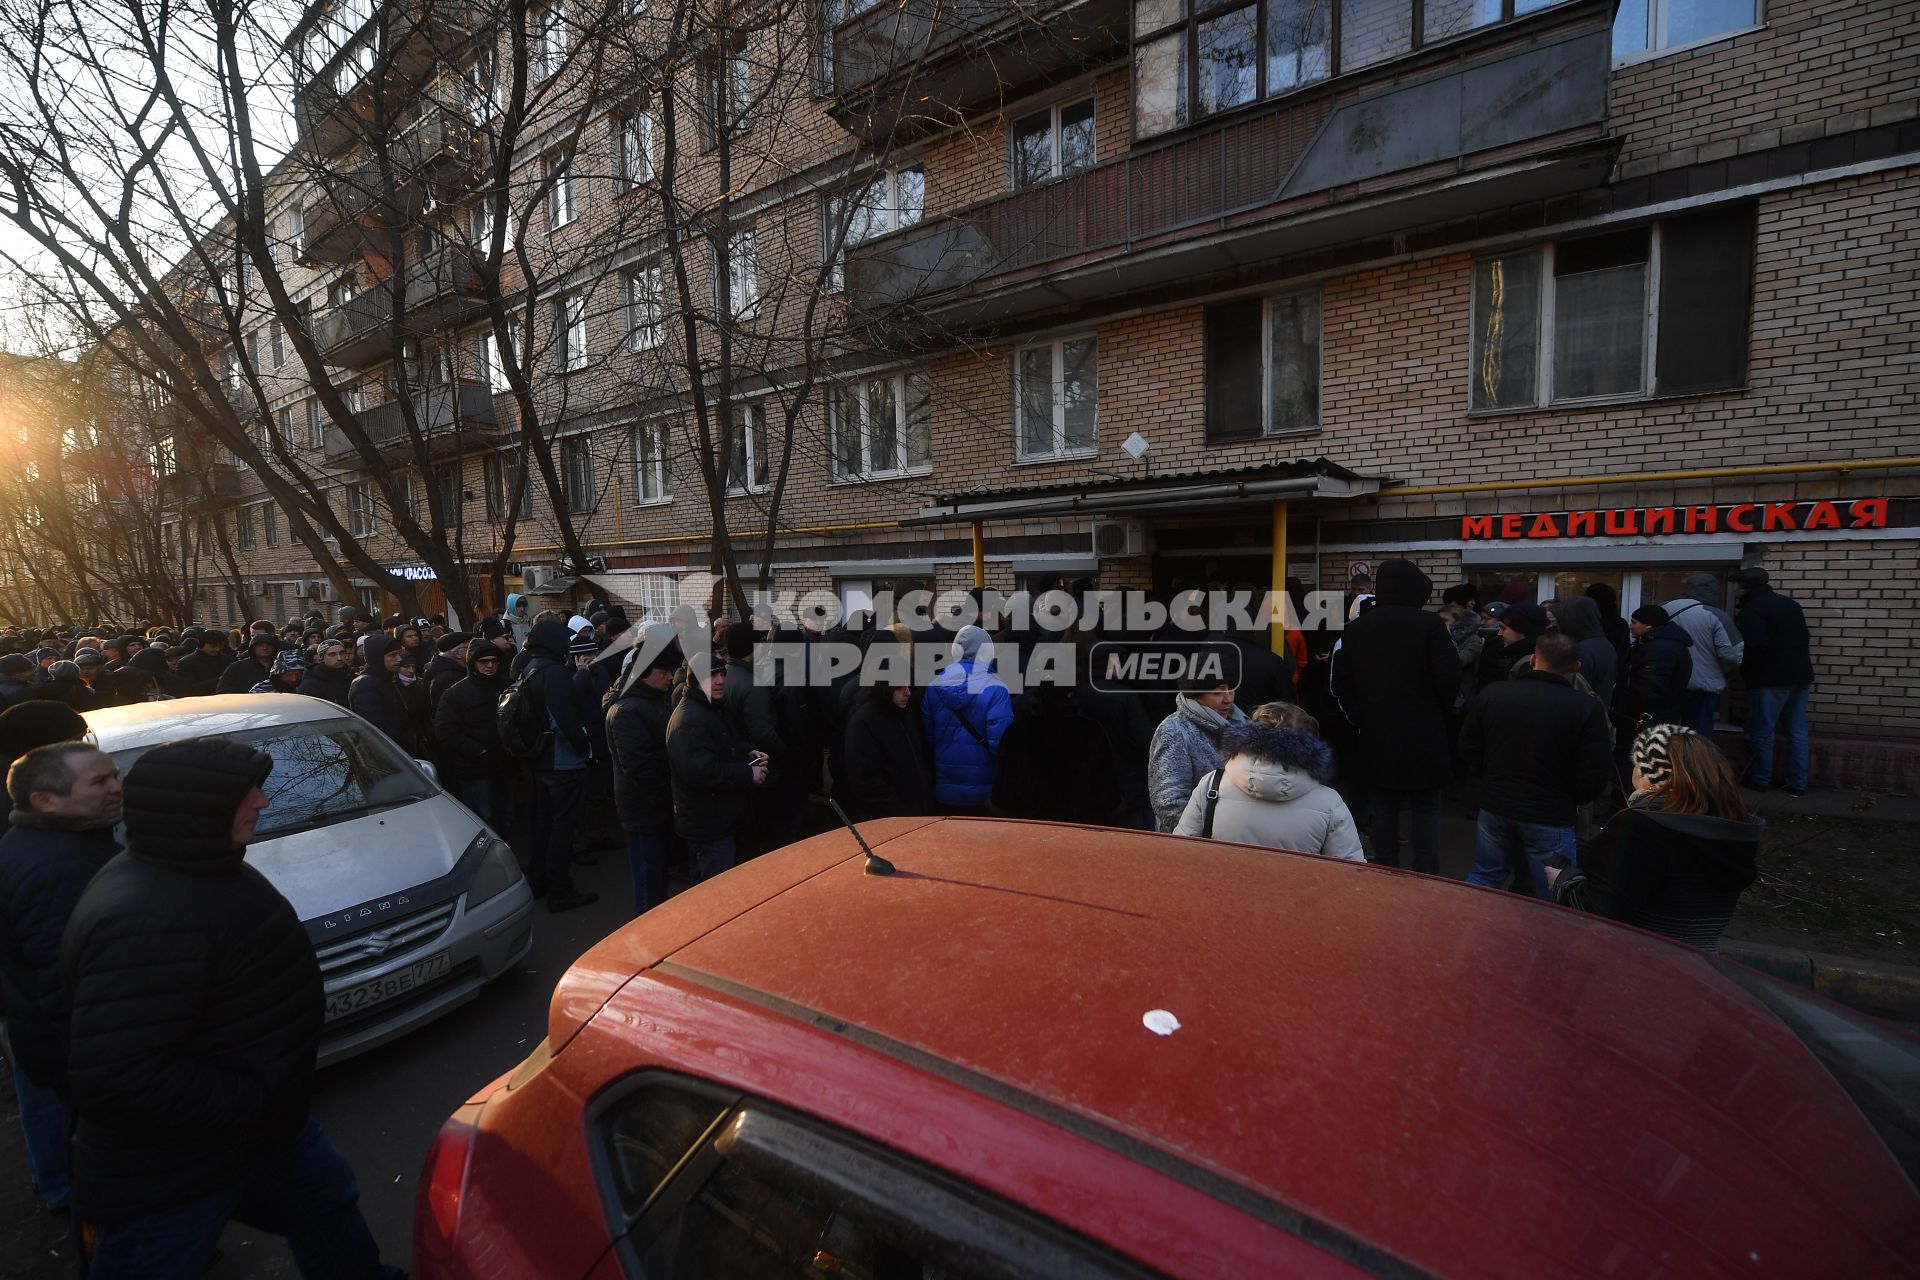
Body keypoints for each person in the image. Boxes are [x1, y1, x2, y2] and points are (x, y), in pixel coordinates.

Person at [60, 739, 400, 1277]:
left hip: (260, 1128)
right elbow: (121, 1074)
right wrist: (255, 1101)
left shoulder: (200, 868)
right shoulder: (145, 916)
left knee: (326, 1205)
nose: (264, 802)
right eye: (248, 793)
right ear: (196, 808)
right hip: (175, 1166)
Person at [0, 743, 122, 1215]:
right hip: (75, 1047)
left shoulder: (57, 846)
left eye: (114, 775)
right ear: (45, 802)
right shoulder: (57, 868)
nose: (117, 787)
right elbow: (66, 981)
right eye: (100, 782)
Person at [1551, 725, 1761, 952]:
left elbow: (1600, 914)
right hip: (1701, 965)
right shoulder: (1733, 829)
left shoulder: (1641, 827)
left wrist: (1563, 880)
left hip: (1641, 963)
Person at [1460, 632, 1613, 898]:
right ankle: (1546, 939)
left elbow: (1469, 747)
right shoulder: (1586, 707)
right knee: (1554, 889)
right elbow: (1595, 769)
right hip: (1550, 812)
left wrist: (1489, 778)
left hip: (1497, 803)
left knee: (1486, 876)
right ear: (1576, 667)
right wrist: (1574, 797)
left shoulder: (1494, 694)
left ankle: (1468, 932)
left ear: (1532, 660)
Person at [1329, 558, 1458, 872]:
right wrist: (1439, 714)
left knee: (1383, 807)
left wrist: (1360, 718)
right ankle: (1426, 875)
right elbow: (1448, 678)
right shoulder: (1430, 626)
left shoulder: (1357, 630)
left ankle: (1387, 874)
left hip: (1377, 735)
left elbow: (1341, 684)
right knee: (1426, 809)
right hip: (1426, 735)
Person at [1172, 703, 1363, 861]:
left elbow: (1181, 852)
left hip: (1222, 900)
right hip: (1298, 904)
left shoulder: (1212, 784)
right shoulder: (1330, 803)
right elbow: (1350, 874)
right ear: (1310, 746)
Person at [667, 651, 768, 883]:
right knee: (714, 893)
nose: (720, 680)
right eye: (711, 676)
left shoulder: (711, 707)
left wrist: (747, 752)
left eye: (722, 674)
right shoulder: (690, 720)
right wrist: (747, 773)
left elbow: (724, 742)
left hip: (717, 819)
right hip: (707, 825)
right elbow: (702, 772)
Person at [521, 619, 599, 911]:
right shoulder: (555, 673)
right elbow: (564, 720)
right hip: (562, 762)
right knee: (562, 827)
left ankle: (539, 880)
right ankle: (560, 890)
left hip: (541, 759)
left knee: (543, 824)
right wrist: (583, 746)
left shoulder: (531, 668)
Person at [605, 634, 681, 915]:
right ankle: (648, 942)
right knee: (649, 879)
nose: (670, 678)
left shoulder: (650, 701)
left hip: (653, 807)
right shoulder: (627, 711)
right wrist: (667, 799)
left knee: (657, 873)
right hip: (643, 810)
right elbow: (639, 769)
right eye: (663, 672)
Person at [1730, 567, 1813, 796]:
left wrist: (1744, 670)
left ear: (1745, 587)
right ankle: (1797, 783)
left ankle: (1759, 779)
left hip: (1769, 678)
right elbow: (1804, 637)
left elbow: (1753, 646)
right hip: (1800, 676)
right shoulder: (1790, 605)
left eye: (1736, 585)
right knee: (1797, 732)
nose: (1734, 590)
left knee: (1762, 731)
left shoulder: (1752, 609)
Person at [991, 684, 1122, 825]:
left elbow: (1001, 802)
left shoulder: (1018, 733)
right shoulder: (1090, 733)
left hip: (1030, 828)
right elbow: (1111, 802)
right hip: (1081, 827)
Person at [922, 625, 1014, 814]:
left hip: (944, 789)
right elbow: (1002, 745)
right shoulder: (997, 689)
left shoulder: (933, 687)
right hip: (985, 790)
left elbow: (928, 737)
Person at [434, 641, 516, 837]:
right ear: (473, 663)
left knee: (507, 815)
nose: (490, 666)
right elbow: (446, 731)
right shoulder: (455, 693)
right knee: (483, 819)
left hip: (506, 765)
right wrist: (477, 750)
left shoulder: (509, 687)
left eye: (494, 661)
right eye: (484, 661)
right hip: (475, 770)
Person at [1147, 678, 1250, 833]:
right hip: (1194, 843)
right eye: (1217, 692)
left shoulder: (1243, 724)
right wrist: (1209, 834)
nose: (1227, 699)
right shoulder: (1175, 730)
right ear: (1196, 695)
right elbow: (1168, 801)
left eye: (1231, 689)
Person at [843, 666, 934, 821]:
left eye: (907, 685)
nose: (908, 692)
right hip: (886, 820)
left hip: (915, 814)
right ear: (885, 689)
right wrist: (903, 812)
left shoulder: (905, 714)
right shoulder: (863, 723)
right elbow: (866, 780)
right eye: (899, 687)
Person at [1662, 572, 1745, 736]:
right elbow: (1733, 655)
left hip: (1667, 683)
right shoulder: (1716, 615)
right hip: (1703, 686)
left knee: (1668, 735)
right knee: (1698, 738)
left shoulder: (1663, 608)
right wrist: (1725, 673)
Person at [1620, 604, 1694, 732]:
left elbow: (1650, 688)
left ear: (1649, 625)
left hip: (1652, 717)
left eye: (1634, 622)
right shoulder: (1655, 643)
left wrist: (1632, 710)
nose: (1630, 626)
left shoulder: (1659, 649)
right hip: (1657, 715)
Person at [349, 633, 418, 754]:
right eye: (392, 655)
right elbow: (375, 732)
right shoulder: (366, 686)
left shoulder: (387, 679)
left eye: (399, 653)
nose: (399, 659)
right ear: (377, 658)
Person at [217, 633, 282, 695]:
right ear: (253, 647)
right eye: (260, 645)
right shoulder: (237, 668)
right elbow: (224, 690)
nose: (265, 648)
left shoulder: (282, 666)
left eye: (268, 645)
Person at [300, 639, 354, 707]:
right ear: (322, 658)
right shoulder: (311, 685)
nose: (339, 658)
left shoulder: (352, 675)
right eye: (332, 654)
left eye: (342, 653)